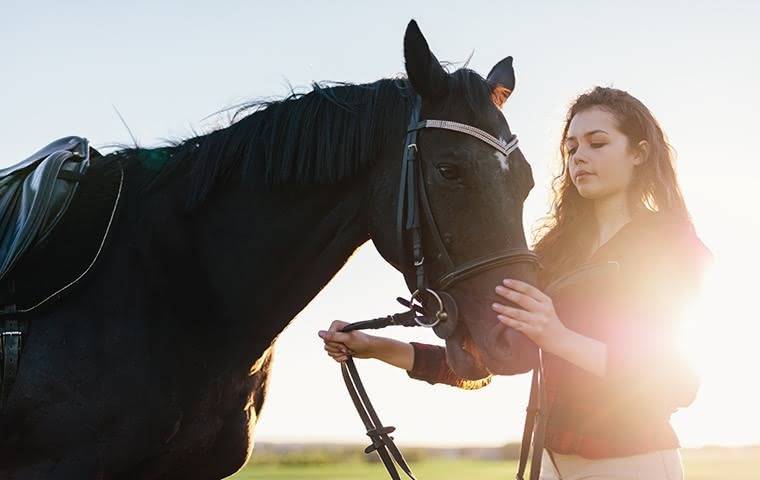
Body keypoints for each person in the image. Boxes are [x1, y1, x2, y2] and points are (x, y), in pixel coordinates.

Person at [318, 86, 712, 480]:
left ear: (639, 153)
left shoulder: (673, 247)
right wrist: (376, 347)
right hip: (547, 464)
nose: (579, 158)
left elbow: (677, 382)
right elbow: (486, 361)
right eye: (571, 148)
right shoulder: (552, 254)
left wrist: (558, 337)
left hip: (632, 463)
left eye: (597, 143)